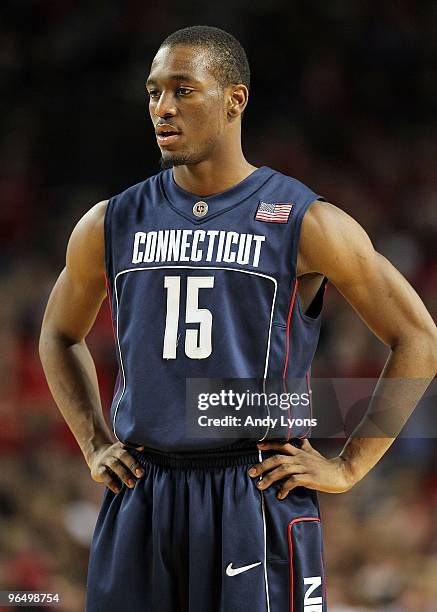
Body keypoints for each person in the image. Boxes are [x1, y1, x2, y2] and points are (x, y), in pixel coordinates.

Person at [39, 25, 437, 612]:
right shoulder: (112, 221)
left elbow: (418, 337)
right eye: (153, 93)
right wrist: (95, 441)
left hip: (253, 489)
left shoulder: (306, 221)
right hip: (143, 489)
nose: (162, 108)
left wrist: (351, 465)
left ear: (234, 99)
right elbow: (58, 333)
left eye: (182, 89)